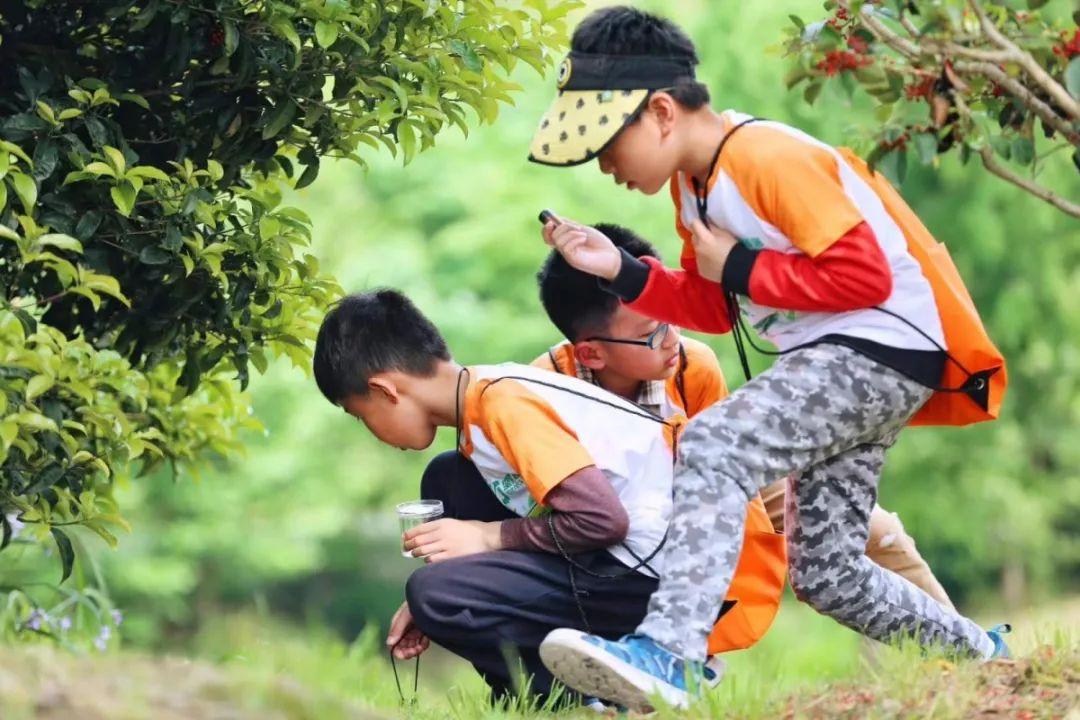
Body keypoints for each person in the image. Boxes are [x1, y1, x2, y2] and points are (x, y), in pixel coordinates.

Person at [528, 6, 1010, 711]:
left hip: (877, 348)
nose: (605, 165)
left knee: (714, 442)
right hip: (850, 361)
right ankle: (981, 655)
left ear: (661, 112)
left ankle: (669, 654)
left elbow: (866, 278)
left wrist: (745, 266)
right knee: (828, 572)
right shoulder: (690, 190)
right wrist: (623, 273)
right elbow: (719, 307)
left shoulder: (766, 157)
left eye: (608, 142)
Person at [311, 289, 783, 705]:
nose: (371, 431)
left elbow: (603, 521)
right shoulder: (486, 394)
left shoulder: (503, 404)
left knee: (434, 592)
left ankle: (584, 697)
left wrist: (487, 538)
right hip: (646, 556)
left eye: (361, 415)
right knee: (449, 481)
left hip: (692, 578)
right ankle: (545, 691)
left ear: (385, 390)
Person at [533, 222, 954, 608]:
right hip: (609, 519)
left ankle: (963, 649)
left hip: (695, 491)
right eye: (652, 333)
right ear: (591, 353)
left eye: (671, 319)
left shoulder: (691, 367)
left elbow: (731, 477)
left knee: (875, 530)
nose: (672, 339)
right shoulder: (544, 391)